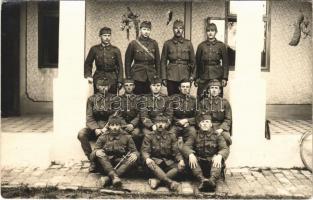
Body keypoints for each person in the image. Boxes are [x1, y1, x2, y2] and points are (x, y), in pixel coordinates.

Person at [182, 113, 229, 192]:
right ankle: (202, 180)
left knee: (218, 159)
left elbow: (225, 148)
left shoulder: (217, 135)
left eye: (207, 122)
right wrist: (190, 154)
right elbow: (186, 146)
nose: (205, 124)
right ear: (199, 125)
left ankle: (212, 181)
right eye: (202, 122)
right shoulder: (194, 134)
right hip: (200, 164)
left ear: (211, 124)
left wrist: (219, 155)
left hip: (212, 164)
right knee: (192, 159)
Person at [77, 77, 116, 172]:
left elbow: (115, 115)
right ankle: (92, 161)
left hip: (109, 127)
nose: (103, 88)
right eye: (101, 86)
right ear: (97, 87)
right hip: (94, 127)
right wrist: (95, 129)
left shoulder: (114, 98)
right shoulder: (91, 99)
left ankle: (106, 162)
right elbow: (89, 117)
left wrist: (106, 128)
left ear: (109, 86)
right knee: (81, 134)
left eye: (106, 86)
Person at [91, 115, 139, 188]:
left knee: (132, 159)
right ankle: (114, 177)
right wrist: (96, 152)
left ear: (120, 126)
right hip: (105, 165)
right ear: (109, 126)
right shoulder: (103, 136)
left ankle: (109, 178)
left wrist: (135, 154)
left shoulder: (127, 136)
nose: (115, 127)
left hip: (121, 166)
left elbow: (135, 151)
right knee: (100, 154)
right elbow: (92, 155)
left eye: (117, 125)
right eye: (112, 125)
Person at [141, 114, 185, 191]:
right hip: (154, 164)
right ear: (155, 123)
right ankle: (169, 182)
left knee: (181, 166)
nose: (160, 124)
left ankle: (157, 181)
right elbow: (145, 151)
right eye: (158, 122)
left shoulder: (171, 136)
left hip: (167, 163)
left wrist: (180, 160)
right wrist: (147, 158)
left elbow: (176, 151)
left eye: (163, 122)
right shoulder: (149, 136)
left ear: (166, 124)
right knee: (151, 164)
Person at [161, 20, 196, 96]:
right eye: (176, 28)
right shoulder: (167, 43)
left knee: (185, 98)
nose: (178, 30)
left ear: (183, 30)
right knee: (172, 98)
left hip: (185, 75)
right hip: (171, 76)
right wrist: (164, 77)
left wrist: (192, 76)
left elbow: (193, 62)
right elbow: (163, 62)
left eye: (180, 28)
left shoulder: (188, 43)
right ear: (173, 29)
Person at [125, 21, 161, 95]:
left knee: (150, 97)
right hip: (137, 75)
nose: (146, 32)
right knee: (137, 97)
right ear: (140, 30)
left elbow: (157, 62)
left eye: (148, 30)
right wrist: (128, 77)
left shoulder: (154, 43)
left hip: (151, 75)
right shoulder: (134, 43)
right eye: (144, 29)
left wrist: (158, 76)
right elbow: (128, 62)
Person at [84, 27, 123, 94]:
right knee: (98, 99)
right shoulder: (94, 49)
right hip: (99, 77)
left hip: (112, 78)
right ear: (100, 36)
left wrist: (120, 80)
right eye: (104, 35)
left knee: (112, 100)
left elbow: (120, 67)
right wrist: (89, 75)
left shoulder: (115, 50)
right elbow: (88, 63)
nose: (107, 38)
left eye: (109, 35)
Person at [195, 23, 228, 97]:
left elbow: (225, 63)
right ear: (206, 32)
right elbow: (197, 62)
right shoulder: (201, 46)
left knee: (217, 97)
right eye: (208, 31)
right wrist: (196, 78)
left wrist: (224, 78)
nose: (210, 33)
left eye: (212, 30)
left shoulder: (221, 45)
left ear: (216, 32)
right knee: (201, 97)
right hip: (203, 75)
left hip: (217, 75)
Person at [198, 79, 232, 146]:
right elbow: (199, 117)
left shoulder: (225, 102)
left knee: (227, 138)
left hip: (220, 126)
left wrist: (221, 129)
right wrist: (206, 127)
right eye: (212, 88)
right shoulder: (203, 102)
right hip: (206, 126)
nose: (214, 90)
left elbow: (228, 119)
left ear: (219, 91)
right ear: (208, 90)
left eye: (216, 88)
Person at [169, 79, 197, 144]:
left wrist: (188, 121)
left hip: (189, 125)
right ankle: (176, 152)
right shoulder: (173, 99)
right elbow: (169, 114)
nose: (185, 89)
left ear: (190, 88)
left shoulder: (194, 100)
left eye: (187, 87)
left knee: (193, 134)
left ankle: (187, 150)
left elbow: (197, 116)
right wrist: (178, 122)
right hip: (176, 124)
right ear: (179, 88)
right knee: (170, 135)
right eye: (183, 87)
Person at [118, 78, 143, 150]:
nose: (129, 87)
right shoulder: (119, 99)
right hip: (123, 125)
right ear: (123, 87)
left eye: (131, 85)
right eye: (126, 85)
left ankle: (136, 153)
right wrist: (124, 125)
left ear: (134, 86)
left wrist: (132, 124)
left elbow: (140, 114)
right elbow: (118, 114)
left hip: (134, 125)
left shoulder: (139, 99)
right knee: (119, 134)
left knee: (136, 134)